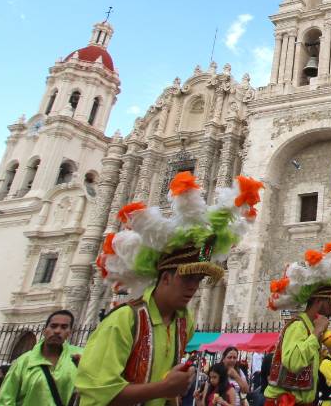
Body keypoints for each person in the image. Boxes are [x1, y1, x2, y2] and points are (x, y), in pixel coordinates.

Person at [78, 171, 261, 406]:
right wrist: (163, 388)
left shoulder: (184, 323)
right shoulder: (124, 321)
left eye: (198, 280)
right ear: (165, 278)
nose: (194, 288)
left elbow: (170, 389)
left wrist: (170, 391)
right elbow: (95, 394)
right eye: (187, 279)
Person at [265, 239, 331, 406]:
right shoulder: (298, 326)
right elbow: (294, 363)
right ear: (319, 301)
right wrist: (317, 332)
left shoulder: (309, 328)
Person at [0, 310, 83, 406]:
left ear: (70, 332)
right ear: (44, 330)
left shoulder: (81, 357)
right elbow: (5, 401)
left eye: (64, 327)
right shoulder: (23, 362)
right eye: (53, 326)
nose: (57, 331)